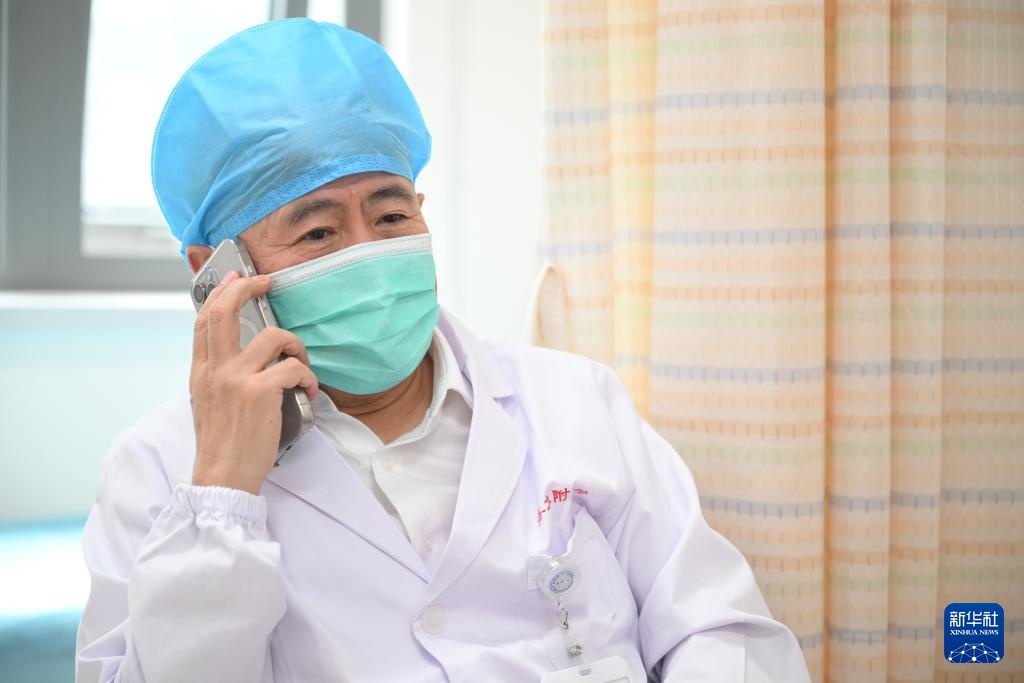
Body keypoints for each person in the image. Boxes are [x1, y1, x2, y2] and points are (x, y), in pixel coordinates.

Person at [75, 19, 811, 683]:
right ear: (218, 273)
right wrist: (222, 499)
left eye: (391, 215)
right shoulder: (162, 468)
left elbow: (720, 627)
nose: (368, 253)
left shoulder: (574, 400)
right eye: (318, 232)